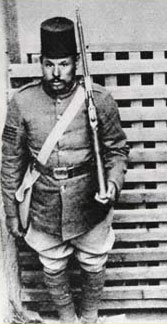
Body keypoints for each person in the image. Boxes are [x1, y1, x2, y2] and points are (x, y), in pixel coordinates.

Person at [1, 16, 129, 323]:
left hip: (89, 200)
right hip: (43, 203)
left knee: (93, 261)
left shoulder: (99, 100)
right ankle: (69, 319)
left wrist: (111, 185)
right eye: (48, 64)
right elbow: (10, 164)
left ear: (75, 62)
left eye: (64, 63)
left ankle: (90, 316)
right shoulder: (23, 103)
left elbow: (116, 150)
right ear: (40, 64)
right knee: (53, 263)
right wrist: (11, 215)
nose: (56, 73)